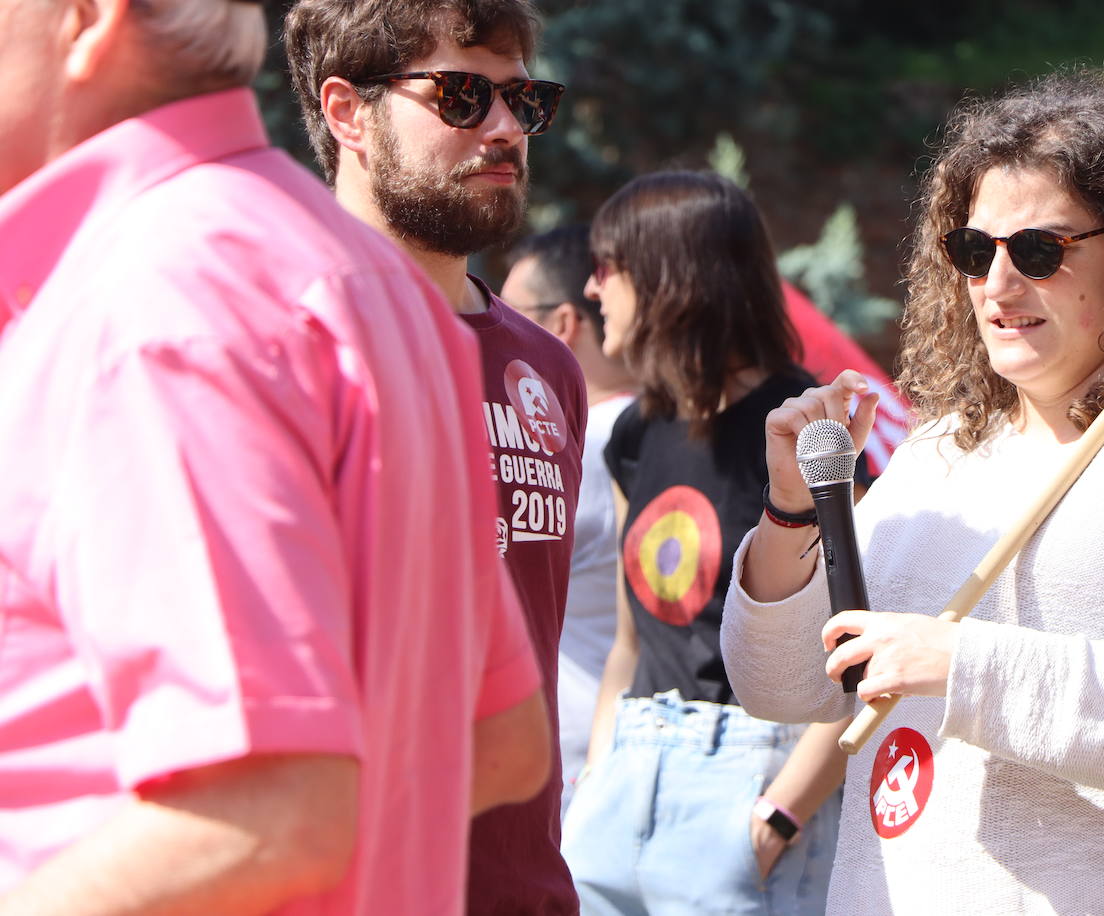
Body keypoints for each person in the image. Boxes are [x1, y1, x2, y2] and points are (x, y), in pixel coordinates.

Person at [722, 70, 1104, 915]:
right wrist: (792, 513)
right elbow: (783, 687)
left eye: (1038, 252)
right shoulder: (939, 450)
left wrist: (959, 664)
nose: (998, 289)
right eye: (974, 252)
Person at [0, 0, 547, 913]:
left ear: (87, 18)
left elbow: (268, 814)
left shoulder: (156, 304)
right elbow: (499, 742)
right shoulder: (354, 279)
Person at [284, 3, 587, 913]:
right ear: (347, 113)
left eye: (523, 101)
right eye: (460, 96)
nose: (503, 130)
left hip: (522, 888)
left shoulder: (548, 367)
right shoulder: (291, 340)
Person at [561, 171, 846, 915]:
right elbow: (631, 638)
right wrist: (599, 775)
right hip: (625, 773)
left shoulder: (798, 431)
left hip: (748, 777)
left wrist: (778, 817)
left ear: (671, 275)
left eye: (608, 266)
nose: (593, 291)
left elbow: (852, 653)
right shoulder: (634, 434)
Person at [501, 226, 637, 815]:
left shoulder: (585, 448)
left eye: (510, 312)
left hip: (573, 772)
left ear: (561, 323)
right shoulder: (656, 436)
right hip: (610, 759)